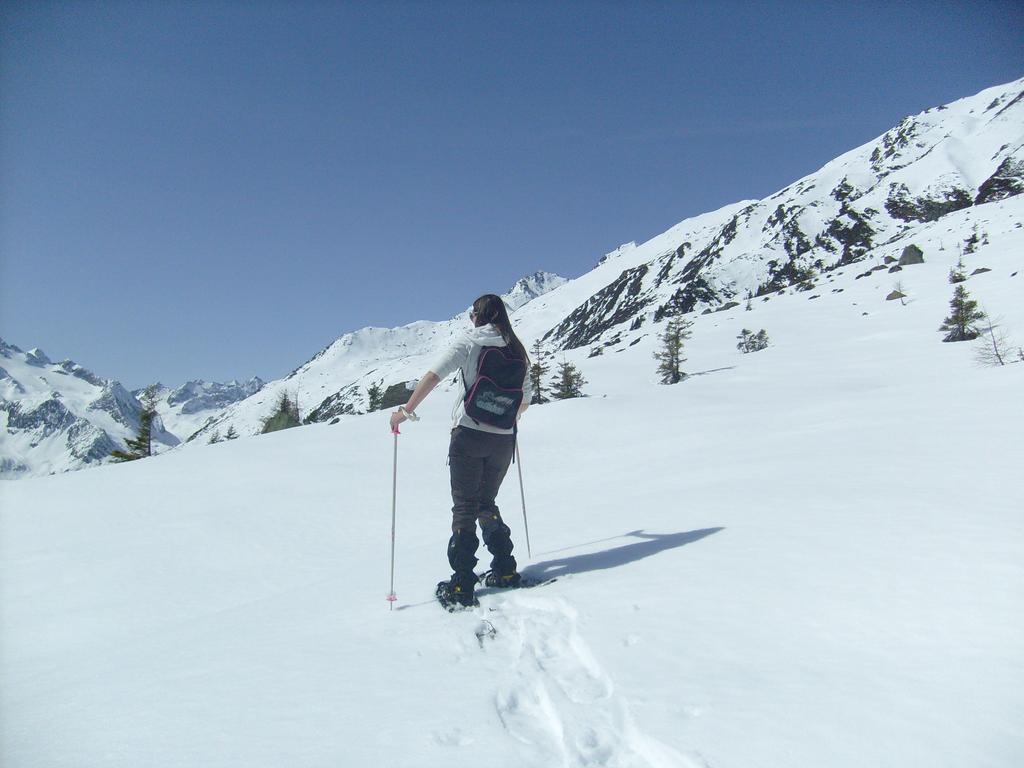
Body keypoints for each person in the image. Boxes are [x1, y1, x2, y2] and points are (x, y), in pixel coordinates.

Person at [390, 294, 533, 609]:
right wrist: (502, 417)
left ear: (477, 315)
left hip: (469, 433)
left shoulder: (470, 341)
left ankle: (462, 584)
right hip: (503, 439)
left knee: (465, 507)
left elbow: (432, 376)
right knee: (487, 503)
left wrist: (405, 412)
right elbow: (524, 399)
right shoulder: (517, 349)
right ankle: (505, 570)